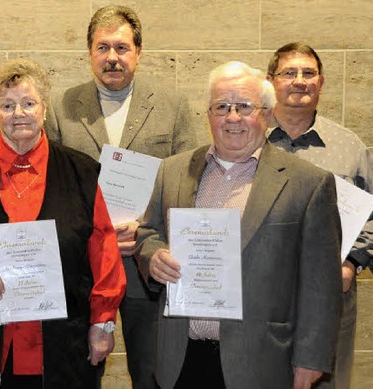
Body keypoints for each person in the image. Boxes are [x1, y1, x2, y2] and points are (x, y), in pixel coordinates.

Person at [135, 61, 342, 389]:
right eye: (221, 106)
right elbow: (148, 232)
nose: (232, 117)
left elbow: (321, 284)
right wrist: (153, 255)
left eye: (244, 106)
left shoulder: (308, 184)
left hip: (261, 360)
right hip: (180, 357)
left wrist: (311, 359)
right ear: (208, 115)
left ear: (268, 114)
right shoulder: (172, 171)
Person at [0, 58, 126, 389]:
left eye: (28, 103)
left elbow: (104, 250)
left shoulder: (82, 171)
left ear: (44, 109)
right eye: (7, 105)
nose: (19, 113)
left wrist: (103, 322)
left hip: (63, 342)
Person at [44, 5, 196, 387]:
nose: (112, 57)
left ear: (139, 52)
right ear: (89, 53)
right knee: (81, 370)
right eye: (102, 47)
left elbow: (187, 185)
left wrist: (145, 233)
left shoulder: (173, 106)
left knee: (153, 373)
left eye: (122, 48)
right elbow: (51, 189)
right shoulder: (61, 109)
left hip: (149, 268)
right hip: (85, 270)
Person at [266, 42, 373, 389]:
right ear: (270, 82)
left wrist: (352, 262)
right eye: (289, 73)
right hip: (264, 296)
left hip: (332, 294)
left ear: (321, 82)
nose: (300, 81)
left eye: (308, 73)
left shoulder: (350, 146)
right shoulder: (249, 140)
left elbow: (371, 212)